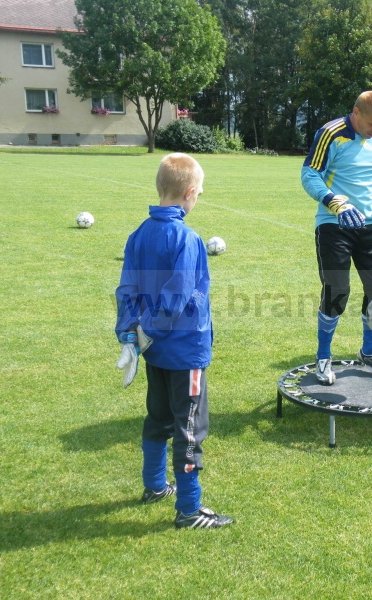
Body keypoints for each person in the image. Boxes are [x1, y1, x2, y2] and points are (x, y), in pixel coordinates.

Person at [115, 153, 233, 529]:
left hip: (156, 352)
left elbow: (127, 288)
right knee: (189, 427)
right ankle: (189, 509)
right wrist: (146, 329)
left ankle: (153, 486)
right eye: (199, 193)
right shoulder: (187, 238)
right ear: (190, 192)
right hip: (184, 352)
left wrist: (129, 330)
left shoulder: (139, 233)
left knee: (160, 417)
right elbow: (178, 295)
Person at [301, 90, 372, 385]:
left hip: (370, 227)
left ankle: (370, 352)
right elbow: (309, 174)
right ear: (355, 112)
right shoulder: (331, 133)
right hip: (334, 225)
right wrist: (335, 202)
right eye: (371, 125)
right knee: (337, 291)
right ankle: (323, 357)